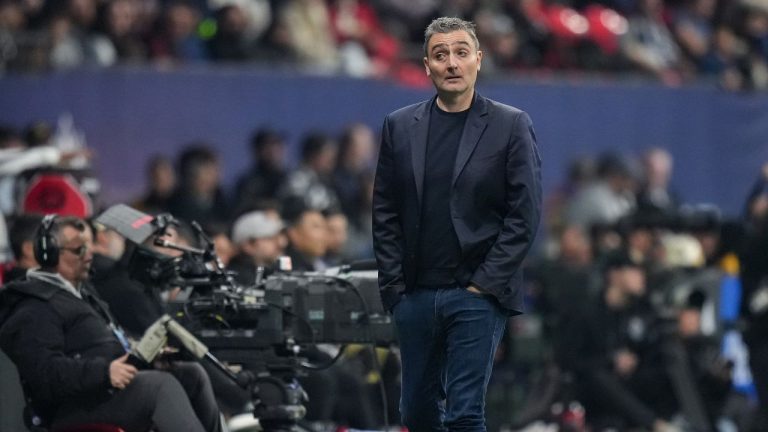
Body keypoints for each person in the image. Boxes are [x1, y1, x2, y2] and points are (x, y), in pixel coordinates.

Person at [372, 17, 542, 431]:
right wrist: (395, 289)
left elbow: (525, 213)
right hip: (415, 295)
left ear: (478, 61)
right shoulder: (399, 125)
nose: (452, 63)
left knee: (465, 413)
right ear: (426, 66)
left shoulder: (510, 124)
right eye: (440, 54)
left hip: (477, 294)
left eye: (461, 53)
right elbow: (385, 210)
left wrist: (485, 284)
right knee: (415, 413)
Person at [0, 215, 222, 432]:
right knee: (160, 387)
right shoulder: (34, 304)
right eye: (79, 250)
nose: (89, 256)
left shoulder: (83, 294)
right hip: (70, 406)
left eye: (89, 247)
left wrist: (145, 359)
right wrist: (105, 372)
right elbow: (45, 373)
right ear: (49, 254)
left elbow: (110, 342)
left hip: (104, 390)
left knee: (191, 374)